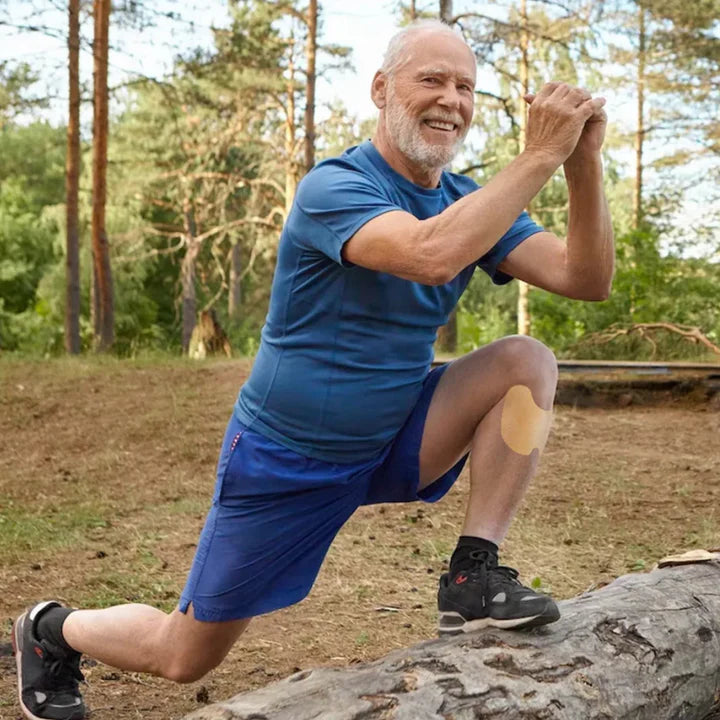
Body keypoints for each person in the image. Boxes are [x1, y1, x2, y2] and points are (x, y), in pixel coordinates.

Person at [13, 19, 613, 720]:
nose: (452, 99)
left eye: (465, 86)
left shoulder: (467, 198)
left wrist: (581, 160)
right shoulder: (335, 187)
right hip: (288, 461)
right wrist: (540, 154)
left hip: (395, 438)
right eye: (432, 79)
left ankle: (471, 574)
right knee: (183, 656)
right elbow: (428, 254)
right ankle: (52, 629)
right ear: (382, 89)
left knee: (526, 361)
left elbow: (585, 277)